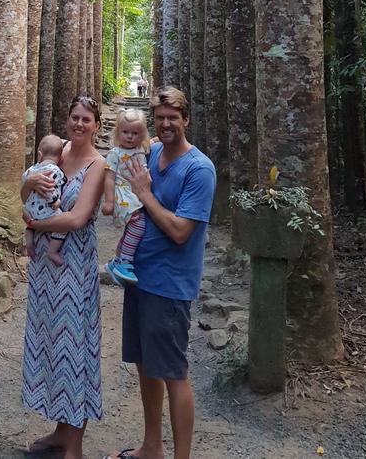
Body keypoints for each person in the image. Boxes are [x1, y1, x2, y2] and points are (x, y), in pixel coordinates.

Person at [103, 86, 216, 459]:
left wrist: (145, 194)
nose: (166, 124)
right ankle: (152, 447)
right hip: (140, 278)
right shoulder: (151, 156)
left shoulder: (198, 169)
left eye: (173, 117)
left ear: (186, 119)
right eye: (161, 117)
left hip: (169, 285)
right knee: (145, 365)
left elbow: (181, 231)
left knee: (173, 372)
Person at [21, 95, 106, 459]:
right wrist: (29, 190)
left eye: (87, 119)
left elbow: (77, 218)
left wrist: (34, 223)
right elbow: (23, 192)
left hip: (74, 266)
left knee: (75, 348)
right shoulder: (53, 151)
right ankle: (59, 432)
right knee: (51, 345)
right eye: (75, 117)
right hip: (45, 267)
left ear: (97, 125)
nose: (79, 124)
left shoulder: (98, 165)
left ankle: (75, 445)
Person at [102, 107, 150, 285]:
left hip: (137, 192)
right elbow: (109, 178)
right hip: (124, 195)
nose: (130, 136)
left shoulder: (140, 149)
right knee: (138, 225)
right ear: (118, 133)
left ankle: (116, 260)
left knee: (132, 227)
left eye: (135, 133)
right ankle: (125, 262)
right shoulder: (115, 154)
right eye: (125, 132)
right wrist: (108, 201)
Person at [22, 134, 66, 264]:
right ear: (61, 158)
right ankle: (52, 250)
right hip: (46, 211)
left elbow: (24, 179)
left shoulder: (32, 169)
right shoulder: (55, 170)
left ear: (39, 155)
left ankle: (29, 242)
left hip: (30, 210)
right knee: (63, 226)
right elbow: (48, 189)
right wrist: (54, 202)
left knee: (30, 224)